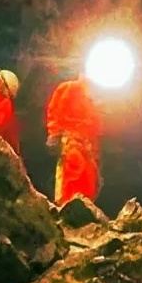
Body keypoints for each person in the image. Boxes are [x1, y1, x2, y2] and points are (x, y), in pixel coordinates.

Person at [45, 77, 102, 206]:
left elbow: (95, 130)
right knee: (72, 177)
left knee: (88, 180)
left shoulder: (92, 100)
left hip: (86, 150)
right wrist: (55, 133)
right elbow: (55, 111)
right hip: (72, 145)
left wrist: (95, 154)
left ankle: (82, 210)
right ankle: (67, 208)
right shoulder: (70, 88)